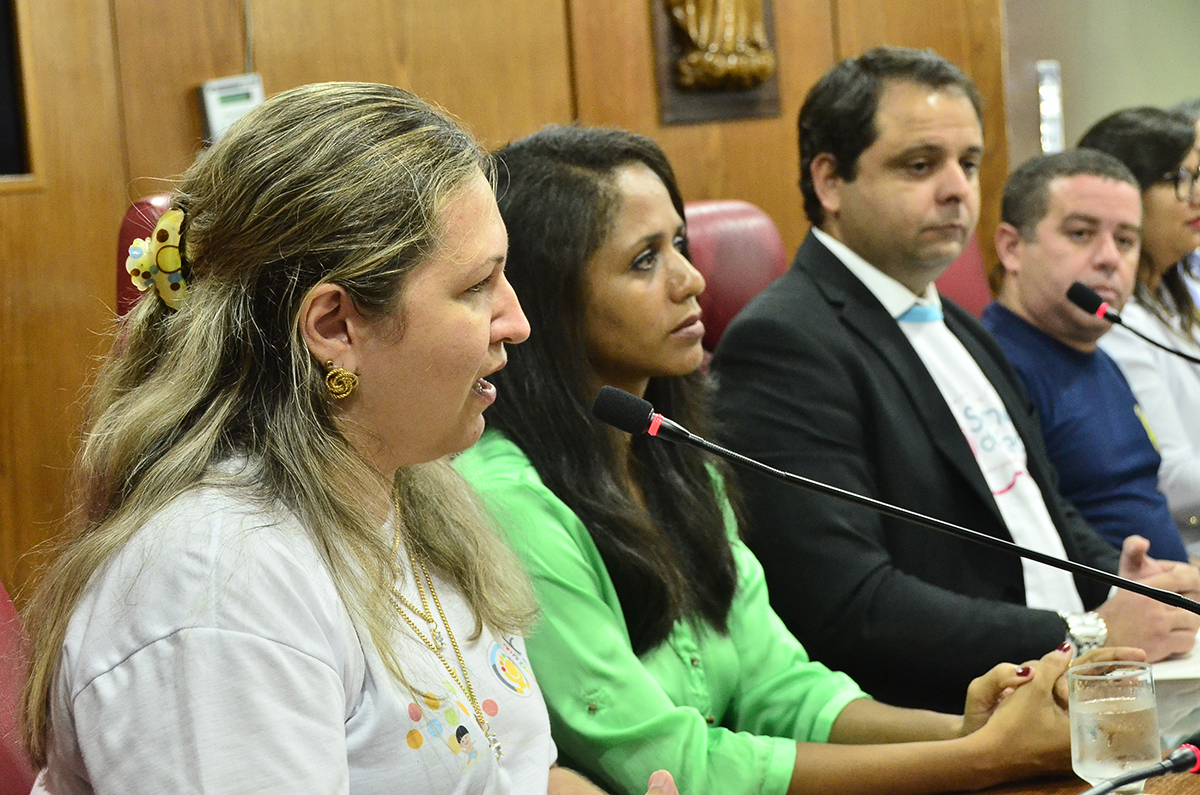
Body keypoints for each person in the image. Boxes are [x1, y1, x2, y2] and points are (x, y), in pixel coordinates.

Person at [20, 83, 676, 795]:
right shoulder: (214, 584)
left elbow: (521, 774)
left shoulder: (414, 489)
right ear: (334, 327)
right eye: (476, 287)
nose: (516, 322)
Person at [454, 123, 1109, 795]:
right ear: (548, 300)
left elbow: (784, 689)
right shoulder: (509, 500)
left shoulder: (676, 458)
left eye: (679, 244)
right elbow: (675, 765)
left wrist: (969, 732)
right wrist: (983, 757)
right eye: (644, 260)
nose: (691, 279)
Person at [709, 46, 1200, 714]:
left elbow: (1039, 510)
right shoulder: (786, 342)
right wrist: (1087, 632)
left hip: (1073, 689)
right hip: (956, 722)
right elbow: (847, 604)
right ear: (830, 182)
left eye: (968, 164)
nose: (956, 189)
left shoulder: (961, 326)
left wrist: (1126, 578)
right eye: (920, 165)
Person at [982, 149, 1189, 562]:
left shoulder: (1099, 355)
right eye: (1080, 234)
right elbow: (1026, 540)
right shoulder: (992, 367)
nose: (1110, 258)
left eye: (1125, 240)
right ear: (1012, 248)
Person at [1079, 108, 1200, 556]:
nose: (1196, 195)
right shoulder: (1116, 322)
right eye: (1180, 179)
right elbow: (1170, 480)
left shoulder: (1174, 298)